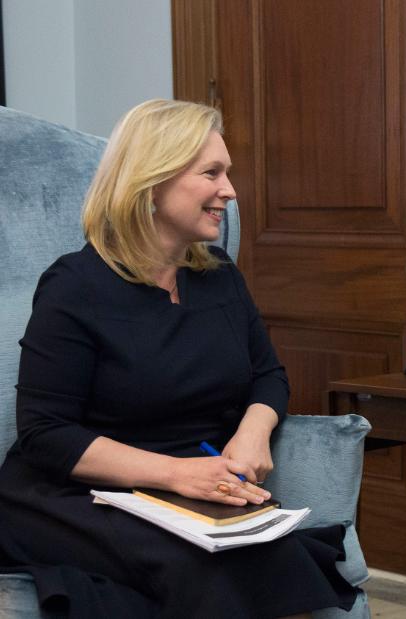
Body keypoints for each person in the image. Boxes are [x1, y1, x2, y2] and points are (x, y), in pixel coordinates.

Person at [0, 99, 359, 618]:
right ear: (152, 182)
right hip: (79, 493)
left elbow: (267, 376)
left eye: (227, 173)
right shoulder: (75, 287)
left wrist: (252, 433)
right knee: (205, 566)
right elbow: (44, 432)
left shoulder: (218, 276)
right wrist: (176, 474)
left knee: (273, 555)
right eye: (211, 173)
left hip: (190, 488)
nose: (230, 191)